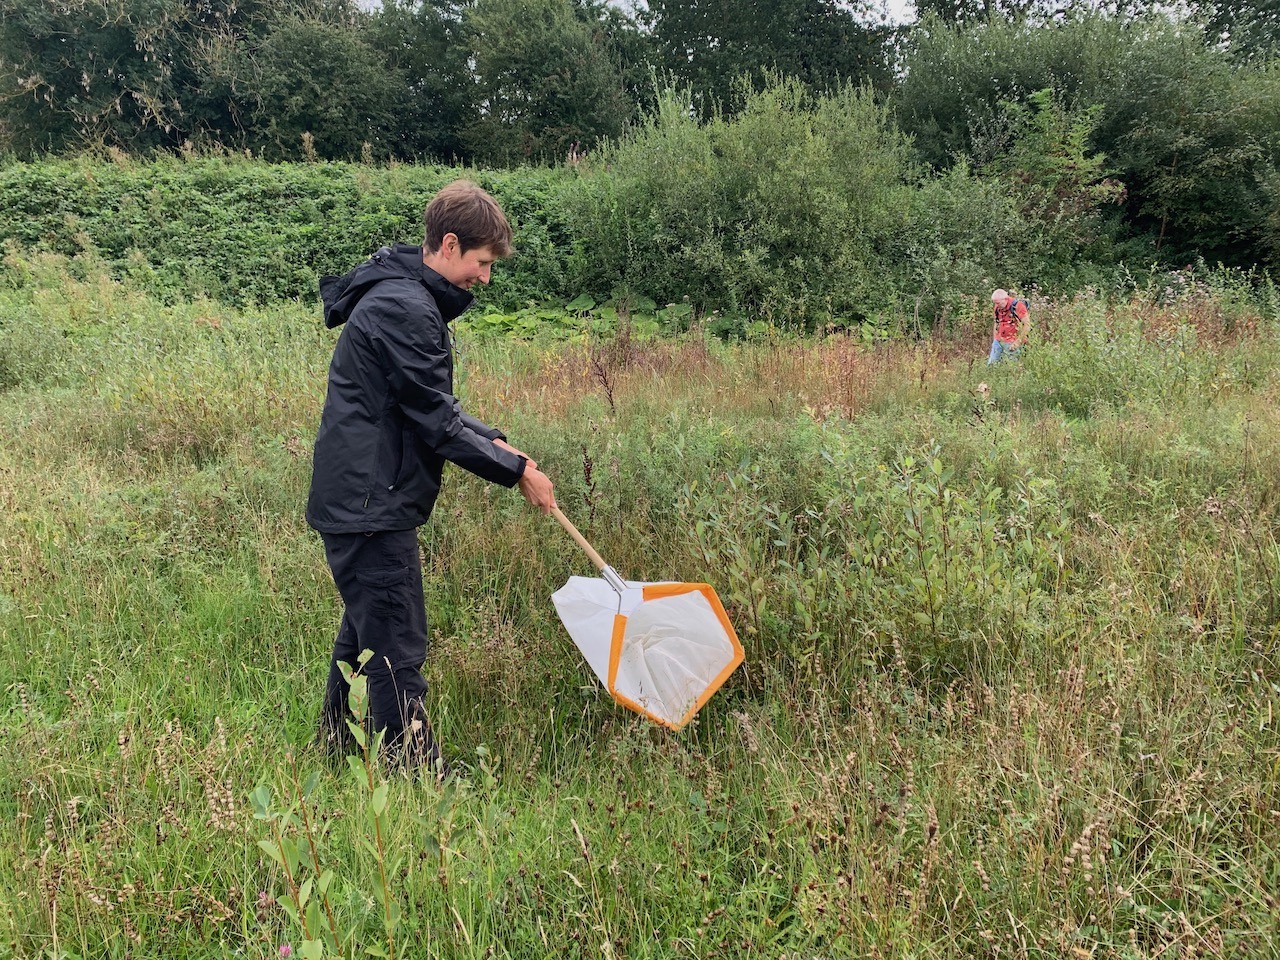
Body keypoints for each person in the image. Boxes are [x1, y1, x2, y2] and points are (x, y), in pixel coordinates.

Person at [306, 180, 556, 776]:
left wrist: (493, 439)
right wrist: (516, 471)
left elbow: (424, 401)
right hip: (370, 505)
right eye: (482, 263)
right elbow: (437, 425)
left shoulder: (401, 294)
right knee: (396, 645)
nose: (485, 278)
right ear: (448, 245)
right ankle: (415, 774)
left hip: (360, 500)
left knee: (366, 633)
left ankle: (336, 745)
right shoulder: (406, 309)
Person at [988, 288, 1030, 365]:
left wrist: (1018, 342)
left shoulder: (1018, 306)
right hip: (999, 340)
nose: (996, 305)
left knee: (1011, 366)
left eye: (998, 303)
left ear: (1006, 299)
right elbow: (996, 323)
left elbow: (1027, 325)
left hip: (1013, 341)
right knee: (991, 365)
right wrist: (995, 339)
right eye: (995, 303)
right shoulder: (997, 308)